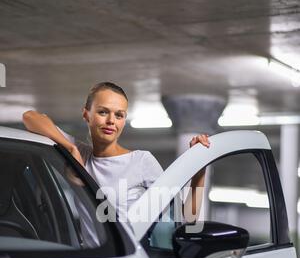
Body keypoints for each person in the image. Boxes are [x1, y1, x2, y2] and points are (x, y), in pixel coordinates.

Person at [23, 81, 210, 224]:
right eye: (103, 112)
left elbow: (186, 217)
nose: (111, 120)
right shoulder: (81, 153)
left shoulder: (141, 162)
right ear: (86, 114)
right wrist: (70, 147)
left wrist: (199, 170)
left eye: (119, 115)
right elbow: (30, 117)